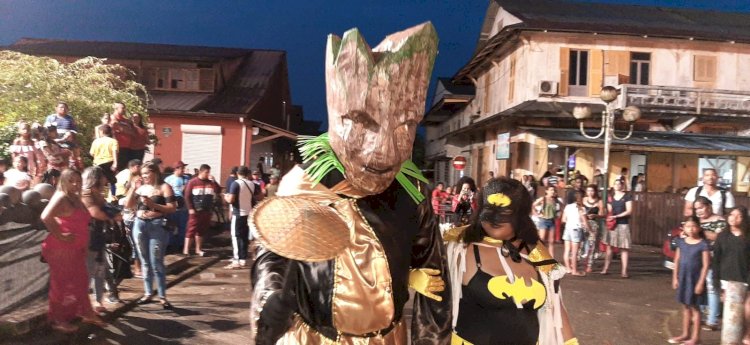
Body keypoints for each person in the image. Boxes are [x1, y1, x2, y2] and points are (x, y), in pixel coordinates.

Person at [250, 23, 450, 344]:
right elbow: (273, 255)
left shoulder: (412, 194)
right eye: (362, 122)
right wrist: (270, 295)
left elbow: (434, 277)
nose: (383, 149)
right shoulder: (304, 183)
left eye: (405, 125)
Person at [444, 177, 578, 344]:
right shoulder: (460, 249)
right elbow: (434, 311)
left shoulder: (536, 252)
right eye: (488, 210)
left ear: (520, 215)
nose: (494, 219)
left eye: (505, 213)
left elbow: (556, 308)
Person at [41, 169, 106, 333]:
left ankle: (86, 312)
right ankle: (58, 320)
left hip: (75, 248)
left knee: (81, 281)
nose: (76, 184)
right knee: (61, 285)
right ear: (63, 181)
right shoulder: (61, 197)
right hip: (61, 249)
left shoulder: (76, 197)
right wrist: (61, 235)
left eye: (78, 180)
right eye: (72, 181)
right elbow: (45, 216)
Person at [123, 161, 176, 309]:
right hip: (139, 224)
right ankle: (147, 293)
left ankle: (162, 296)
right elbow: (127, 205)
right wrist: (133, 189)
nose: (145, 176)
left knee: (156, 261)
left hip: (157, 225)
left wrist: (154, 206)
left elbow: (172, 208)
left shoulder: (164, 187)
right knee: (144, 260)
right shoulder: (141, 188)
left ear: (155, 173)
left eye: (147, 173)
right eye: (143, 174)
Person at [81, 166, 123, 313]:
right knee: (89, 270)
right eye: (103, 177)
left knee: (99, 269)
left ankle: (99, 301)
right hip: (87, 236)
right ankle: (85, 304)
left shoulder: (98, 194)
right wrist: (111, 217)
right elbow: (95, 212)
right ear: (96, 178)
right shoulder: (86, 193)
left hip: (97, 235)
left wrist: (112, 214)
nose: (105, 180)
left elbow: (105, 210)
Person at [712, 206, 750, 344]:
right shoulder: (722, 236)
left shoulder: (747, 237)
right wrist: (716, 282)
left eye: (738, 216)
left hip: (744, 279)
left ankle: (747, 334)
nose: (734, 218)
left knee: (747, 309)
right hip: (726, 280)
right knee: (731, 313)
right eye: (732, 214)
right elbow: (716, 260)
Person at [670, 216, 710, 345]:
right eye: (688, 226)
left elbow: (706, 265)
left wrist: (700, 283)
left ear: (698, 228)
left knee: (695, 308)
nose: (691, 229)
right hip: (683, 278)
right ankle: (685, 333)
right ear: (684, 228)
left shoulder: (703, 244)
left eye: (693, 226)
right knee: (685, 306)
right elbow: (676, 261)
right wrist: (675, 277)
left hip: (695, 280)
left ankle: (695, 337)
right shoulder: (681, 242)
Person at [694, 196, 728, 331]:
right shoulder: (696, 221)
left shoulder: (719, 221)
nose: (699, 211)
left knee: (712, 288)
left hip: (713, 258)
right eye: (696, 209)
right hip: (697, 258)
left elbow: (719, 237)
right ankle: (700, 315)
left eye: (701, 208)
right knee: (699, 286)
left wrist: (701, 232)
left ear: (709, 206)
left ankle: (712, 319)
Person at [223, 166, 256, 269]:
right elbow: (259, 196)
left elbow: (231, 200)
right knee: (244, 237)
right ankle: (243, 259)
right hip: (248, 213)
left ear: (238, 173)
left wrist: (225, 197)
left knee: (236, 236)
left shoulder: (236, 183)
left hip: (238, 214)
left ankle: (236, 260)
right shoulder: (252, 184)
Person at [183, 164, 220, 257]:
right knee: (191, 229)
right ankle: (186, 250)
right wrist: (190, 208)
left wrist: (214, 181)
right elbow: (187, 196)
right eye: (206, 172)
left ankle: (198, 249)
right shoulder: (192, 182)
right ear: (200, 172)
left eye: (209, 172)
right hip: (196, 210)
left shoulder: (210, 183)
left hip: (207, 210)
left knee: (201, 230)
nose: (208, 174)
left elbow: (218, 190)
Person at [601, 178, 633, 278]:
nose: (617, 186)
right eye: (616, 184)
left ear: (622, 186)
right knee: (609, 247)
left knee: (624, 248)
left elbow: (629, 211)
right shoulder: (610, 197)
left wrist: (617, 216)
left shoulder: (627, 197)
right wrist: (610, 214)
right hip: (613, 225)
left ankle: (624, 271)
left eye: (619, 184)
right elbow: (609, 210)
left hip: (623, 224)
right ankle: (605, 268)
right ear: (613, 186)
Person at [44, 102, 82, 170]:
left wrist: (69, 134)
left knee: (67, 161)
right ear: (56, 108)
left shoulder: (70, 118)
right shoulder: (51, 118)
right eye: (61, 107)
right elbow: (46, 130)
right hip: (53, 143)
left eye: (65, 108)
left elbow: (75, 130)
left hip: (66, 143)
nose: (63, 109)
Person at [164, 161, 190, 250]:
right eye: (182, 168)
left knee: (183, 226)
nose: (184, 170)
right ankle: (170, 244)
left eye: (184, 168)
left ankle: (181, 244)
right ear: (176, 169)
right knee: (170, 225)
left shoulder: (187, 178)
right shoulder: (168, 179)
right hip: (173, 206)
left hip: (184, 206)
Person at [561, 190, 588, 276]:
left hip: (567, 228)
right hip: (576, 229)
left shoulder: (568, 206)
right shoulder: (581, 208)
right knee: (575, 252)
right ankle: (575, 270)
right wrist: (589, 230)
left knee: (567, 250)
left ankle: (568, 268)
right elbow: (585, 222)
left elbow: (563, 220)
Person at [89, 125, 119, 196]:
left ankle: (102, 197)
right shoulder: (113, 141)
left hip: (98, 163)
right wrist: (115, 163)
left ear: (101, 132)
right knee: (112, 181)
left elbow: (91, 153)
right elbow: (114, 152)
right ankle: (113, 196)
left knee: (100, 181)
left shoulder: (96, 141)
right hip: (109, 162)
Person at [532, 186, 562, 256]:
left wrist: (559, 214)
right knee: (541, 240)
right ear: (546, 191)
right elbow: (533, 205)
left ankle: (552, 258)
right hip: (543, 220)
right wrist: (536, 214)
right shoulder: (543, 198)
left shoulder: (555, 200)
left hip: (552, 221)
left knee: (551, 241)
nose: (553, 191)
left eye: (554, 190)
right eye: (551, 190)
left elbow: (562, 207)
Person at [582, 184, 605, 272]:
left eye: (592, 191)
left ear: (595, 191)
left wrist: (596, 215)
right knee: (580, 244)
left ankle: (589, 264)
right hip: (583, 223)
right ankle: (576, 260)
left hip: (594, 224)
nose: (590, 193)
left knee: (592, 244)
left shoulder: (599, 201)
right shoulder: (583, 200)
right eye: (588, 191)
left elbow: (602, 214)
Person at [110, 102, 136, 170]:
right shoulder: (111, 118)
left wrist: (121, 129)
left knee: (124, 168)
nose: (124, 110)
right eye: (122, 108)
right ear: (116, 108)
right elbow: (115, 126)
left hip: (127, 147)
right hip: (117, 148)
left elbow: (132, 132)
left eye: (125, 108)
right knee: (116, 168)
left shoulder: (126, 120)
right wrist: (123, 129)